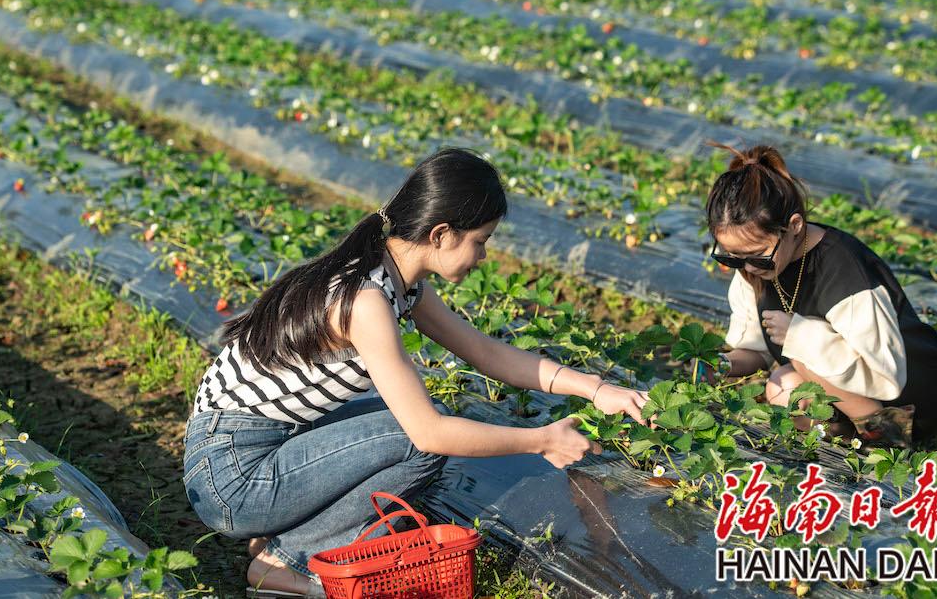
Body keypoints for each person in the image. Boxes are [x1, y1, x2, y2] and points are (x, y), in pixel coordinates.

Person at [183, 148, 648, 598]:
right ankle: (287, 563)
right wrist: (542, 439)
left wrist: (596, 388)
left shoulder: (394, 281)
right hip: (233, 478)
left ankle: (279, 539)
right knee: (418, 439)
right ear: (442, 233)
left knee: (409, 418)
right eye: (480, 242)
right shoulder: (365, 300)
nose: (482, 257)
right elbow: (427, 434)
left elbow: (485, 353)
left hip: (245, 454)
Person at [697, 144, 937, 447]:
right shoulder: (752, 268)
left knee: (799, 366)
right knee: (783, 385)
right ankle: (840, 447)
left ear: (794, 226)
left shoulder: (844, 273)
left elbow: (886, 377)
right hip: (841, 391)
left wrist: (801, 335)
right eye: (730, 258)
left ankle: (889, 445)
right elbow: (759, 352)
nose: (746, 267)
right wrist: (722, 365)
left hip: (907, 400)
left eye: (757, 256)